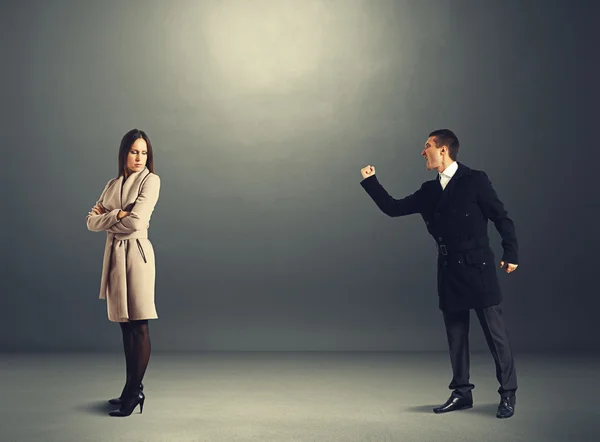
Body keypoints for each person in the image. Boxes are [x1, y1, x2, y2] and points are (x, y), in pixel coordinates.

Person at [360, 129, 518, 419]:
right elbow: (393, 208)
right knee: (456, 336)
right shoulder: (429, 191)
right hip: (449, 269)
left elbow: (501, 216)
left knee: (496, 336)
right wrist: (371, 181)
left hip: (479, 267)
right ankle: (462, 393)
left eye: (428, 146)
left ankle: (508, 394)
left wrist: (511, 252)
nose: (423, 152)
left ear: (443, 150)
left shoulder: (475, 180)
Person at [86, 128, 161, 417]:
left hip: (137, 256)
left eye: (144, 152)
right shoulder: (112, 184)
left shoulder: (151, 181)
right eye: (134, 151)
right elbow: (90, 221)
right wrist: (117, 215)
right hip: (116, 258)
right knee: (125, 325)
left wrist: (112, 219)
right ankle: (128, 388)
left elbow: (136, 223)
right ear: (124, 154)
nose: (140, 157)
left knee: (139, 324)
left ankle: (135, 391)